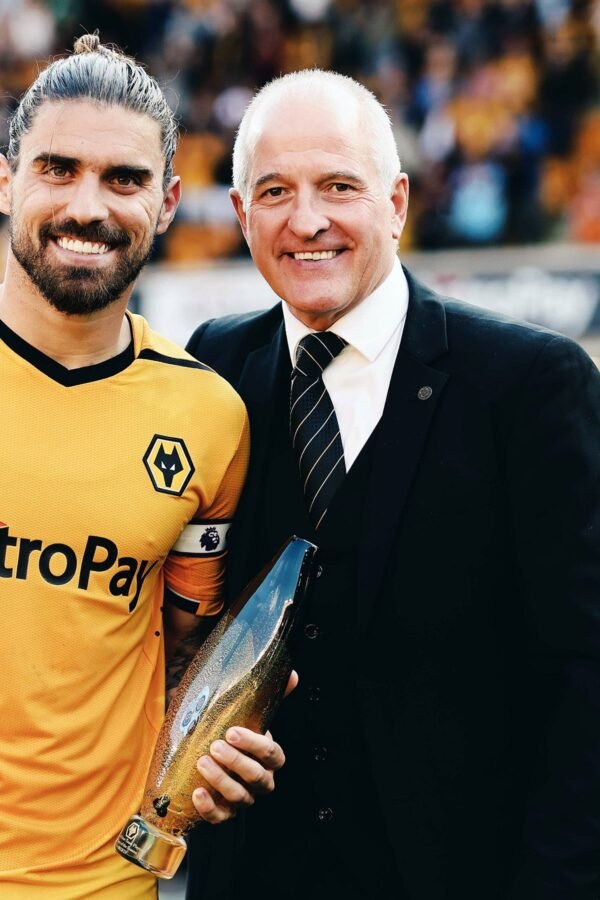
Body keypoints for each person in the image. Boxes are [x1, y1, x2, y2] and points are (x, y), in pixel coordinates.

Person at [185, 70, 600, 900]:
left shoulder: (529, 385)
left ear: (398, 201)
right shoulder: (211, 369)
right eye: (275, 192)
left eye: (339, 186)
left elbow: (585, 678)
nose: (307, 221)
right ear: (240, 216)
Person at [0, 35, 288, 900]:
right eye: (58, 168)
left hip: (102, 885)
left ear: (165, 204)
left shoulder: (207, 420)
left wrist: (233, 739)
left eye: (123, 179)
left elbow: (191, 649)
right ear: (6, 179)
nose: (87, 206)